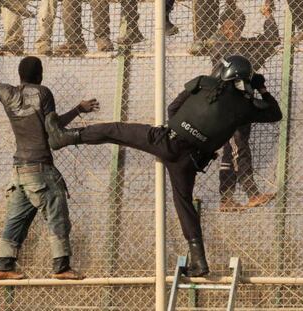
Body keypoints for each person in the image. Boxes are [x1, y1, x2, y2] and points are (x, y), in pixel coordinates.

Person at [45, 55, 282, 276]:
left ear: (225, 72)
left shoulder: (204, 83)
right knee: (184, 203)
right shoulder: (246, 107)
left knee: (115, 131)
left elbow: (172, 110)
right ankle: (199, 261)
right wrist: (261, 88)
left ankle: (66, 137)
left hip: (166, 142)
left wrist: (186, 125)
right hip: (190, 160)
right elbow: (275, 113)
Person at [0, 39, 99, 280]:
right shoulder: (43, 93)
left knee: (15, 219)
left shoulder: (7, 93)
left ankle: (3, 265)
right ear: (40, 75)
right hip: (40, 168)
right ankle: (61, 267)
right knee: (57, 214)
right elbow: (53, 133)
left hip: (19, 171)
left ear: (20, 75)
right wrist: (78, 129)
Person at [206, 5, 280, 211]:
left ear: (241, 27)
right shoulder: (220, 49)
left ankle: (226, 199)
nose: (230, 31)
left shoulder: (247, 49)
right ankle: (251, 193)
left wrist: (269, 17)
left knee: (231, 151)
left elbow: (272, 41)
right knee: (239, 149)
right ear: (220, 28)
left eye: (235, 27)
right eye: (226, 27)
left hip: (242, 107)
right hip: (228, 108)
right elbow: (221, 48)